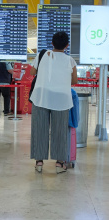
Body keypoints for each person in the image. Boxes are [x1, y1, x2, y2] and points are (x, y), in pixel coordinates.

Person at [30, 31, 78, 174]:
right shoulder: (70, 60)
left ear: (52, 43)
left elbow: (32, 72)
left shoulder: (42, 55)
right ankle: (59, 164)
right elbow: (74, 81)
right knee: (59, 131)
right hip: (61, 99)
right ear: (67, 46)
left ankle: (39, 162)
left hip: (41, 96)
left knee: (39, 129)